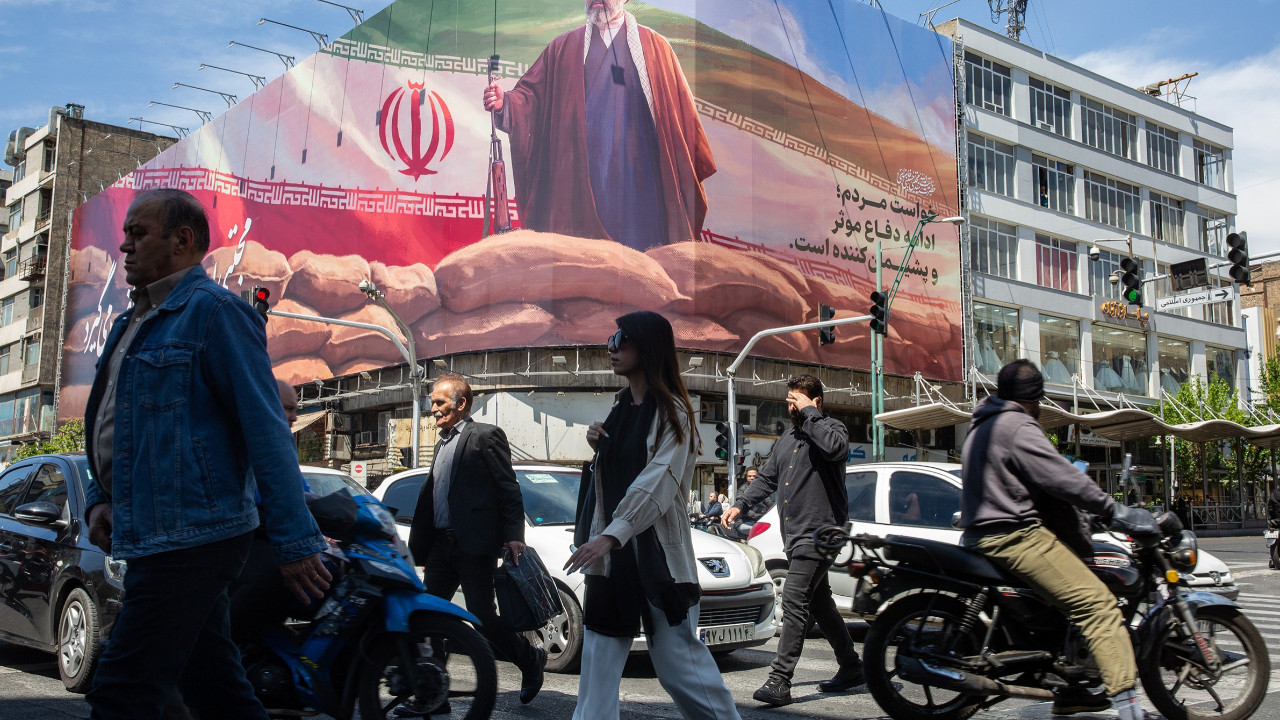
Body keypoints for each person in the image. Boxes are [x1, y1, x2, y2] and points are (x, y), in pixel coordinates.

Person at [82, 188, 331, 720]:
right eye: (125, 234)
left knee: (122, 690)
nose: (125, 246)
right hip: (152, 530)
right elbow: (112, 425)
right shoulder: (130, 323)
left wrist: (294, 540)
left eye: (138, 233)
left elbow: (267, 430)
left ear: (182, 240)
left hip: (194, 534)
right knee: (215, 689)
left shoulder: (216, 314)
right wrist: (100, 497)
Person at [959, 360, 1158, 720]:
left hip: (984, 534)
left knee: (1060, 610)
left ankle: (1072, 691)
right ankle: (1130, 709)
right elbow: (1063, 478)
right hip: (1013, 535)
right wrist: (1113, 509)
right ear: (1034, 398)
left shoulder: (983, 424)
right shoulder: (1017, 425)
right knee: (1097, 604)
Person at [565, 311, 740, 720]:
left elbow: (658, 482)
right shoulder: (619, 408)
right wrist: (599, 447)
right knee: (598, 665)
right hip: (613, 559)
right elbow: (615, 479)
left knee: (679, 666)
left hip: (657, 556)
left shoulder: (674, 411)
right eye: (611, 339)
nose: (611, 348)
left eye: (621, 339)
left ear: (647, 347)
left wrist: (612, 534)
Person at [482, 0, 716, 251]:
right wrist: (505, 103)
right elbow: (531, 99)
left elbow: (680, 120)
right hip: (580, 183)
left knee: (644, 261)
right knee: (582, 260)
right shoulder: (562, 48)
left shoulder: (656, 47)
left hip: (640, 185)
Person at [406, 373, 546, 713]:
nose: (432, 408)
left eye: (439, 402)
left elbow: (508, 486)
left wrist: (514, 535)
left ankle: (530, 659)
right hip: (441, 546)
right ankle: (433, 695)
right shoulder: (440, 444)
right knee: (428, 616)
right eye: (432, 402)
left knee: (481, 617)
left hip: (473, 545)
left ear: (461, 404)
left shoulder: (484, 436)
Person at [722, 375, 863, 707]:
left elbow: (835, 450)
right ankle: (852, 666)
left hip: (821, 532)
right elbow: (767, 478)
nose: (791, 407)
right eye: (788, 401)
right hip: (796, 533)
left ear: (816, 402)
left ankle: (780, 680)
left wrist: (810, 413)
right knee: (820, 602)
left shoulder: (833, 429)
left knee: (795, 600)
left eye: (796, 401)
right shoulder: (787, 438)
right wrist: (740, 505)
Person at [229, 379, 313, 649]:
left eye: (295, 409)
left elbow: (302, 495)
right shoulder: (251, 440)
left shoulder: (281, 442)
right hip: (246, 545)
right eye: (287, 408)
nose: (294, 416)